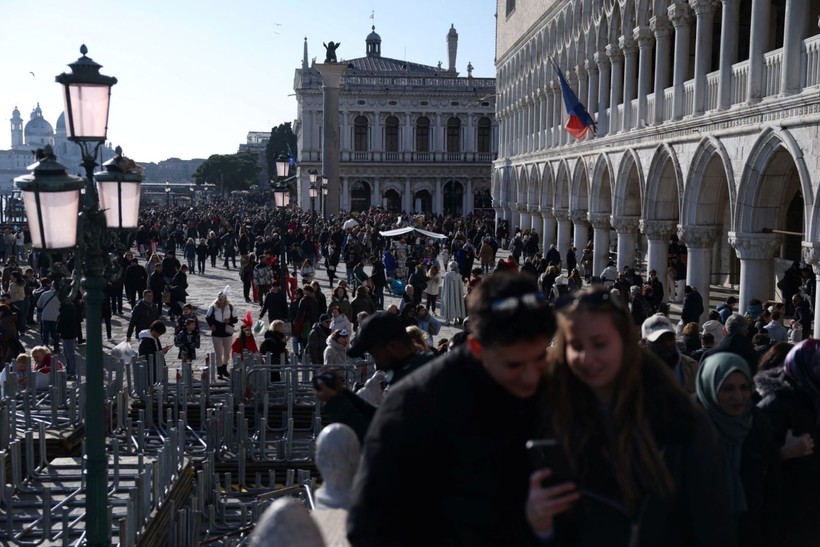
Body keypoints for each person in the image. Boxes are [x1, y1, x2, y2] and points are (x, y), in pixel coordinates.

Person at [347, 271, 557, 546]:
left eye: (539, 357)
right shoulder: (412, 405)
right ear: (477, 347)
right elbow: (368, 526)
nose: (531, 376)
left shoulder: (554, 392)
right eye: (514, 364)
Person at [526, 285, 735, 545]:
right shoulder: (546, 415)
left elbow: (712, 525)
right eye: (576, 345)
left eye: (600, 344)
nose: (587, 357)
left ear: (625, 343)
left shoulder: (679, 421)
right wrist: (539, 525)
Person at [695, 353, 781, 547]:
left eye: (744, 388)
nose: (738, 397)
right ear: (710, 386)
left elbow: (772, 490)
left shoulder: (758, 426)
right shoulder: (687, 428)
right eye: (727, 388)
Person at [314, 311, 436, 443]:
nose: (376, 361)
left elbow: (383, 436)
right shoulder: (408, 369)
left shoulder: (419, 378)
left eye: (375, 354)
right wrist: (342, 394)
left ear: (392, 346)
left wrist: (335, 403)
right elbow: (382, 417)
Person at [754, 339, 820, 543]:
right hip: (785, 515)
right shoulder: (775, 405)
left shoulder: (813, 400)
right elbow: (752, 461)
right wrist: (783, 452)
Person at [641, 313, 699, 394]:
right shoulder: (631, 372)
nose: (667, 344)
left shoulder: (692, 367)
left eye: (670, 338)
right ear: (644, 343)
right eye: (659, 340)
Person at [205, 287, 238, 380]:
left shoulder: (230, 307)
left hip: (227, 332)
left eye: (222, 300)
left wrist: (229, 320)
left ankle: (224, 368)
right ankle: (219, 371)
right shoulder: (212, 307)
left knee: (227, 353)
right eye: (219, 300)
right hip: (217, 333)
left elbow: (235, 319)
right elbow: (207, 317)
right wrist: (211, 325)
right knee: (219, 353)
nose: (221, 301)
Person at [440, 260, 466, 326]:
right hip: (457, 294)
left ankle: (448, 320)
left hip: (449, 293)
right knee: (456, 304)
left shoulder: (447, 275)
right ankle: (455, 320)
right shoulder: (459, 276)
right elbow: (460, 287)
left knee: (448, 304)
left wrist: (443, 293)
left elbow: (444, 285)